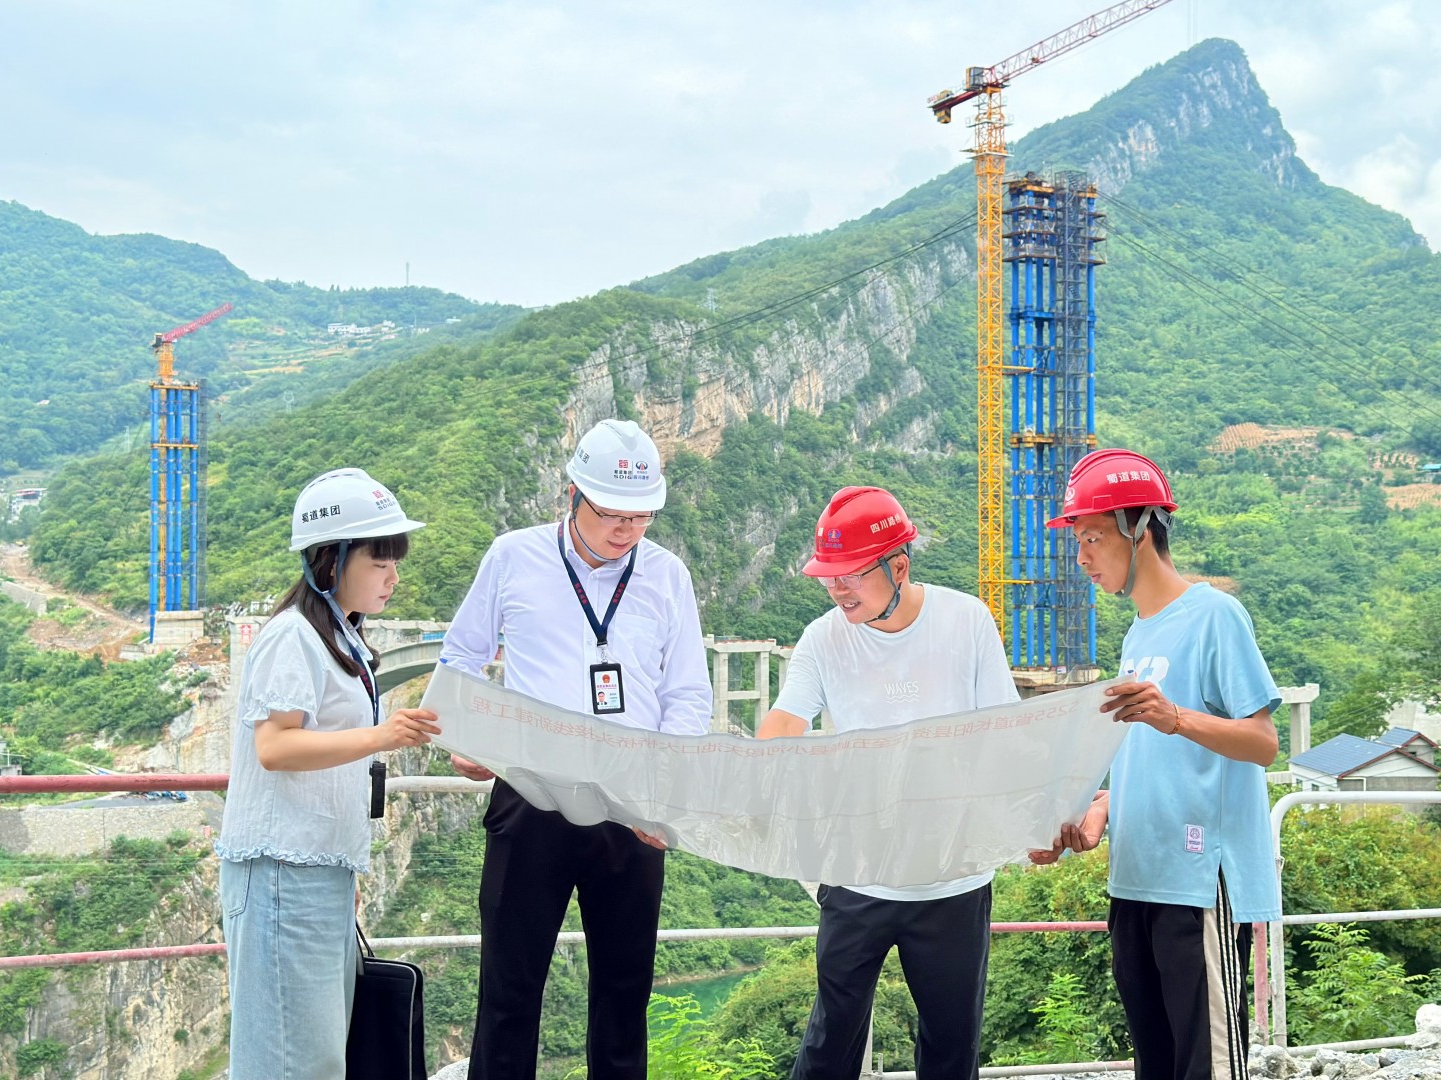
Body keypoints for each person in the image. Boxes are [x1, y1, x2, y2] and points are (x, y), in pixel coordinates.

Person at [441, 418, 712, 1080]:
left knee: (624, 989)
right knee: (509, 985)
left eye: (640, 516)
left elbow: (686, 694)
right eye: (612, 513)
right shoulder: (513, 557)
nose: (626, 529)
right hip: (531, 790)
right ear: (572, 496)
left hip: (631, 799)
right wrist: (465, 737)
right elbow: (461, 658)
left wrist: (663, 791)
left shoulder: (666, 575)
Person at [1030, 448, 1281, 1080]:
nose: (1081, 557)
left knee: (1208, 1065)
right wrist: (1099, 811)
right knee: (1157, 1064)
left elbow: (1263, 743)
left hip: (1196, 882)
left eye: (1092, 537)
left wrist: (1177, 717)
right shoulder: (1138, 634)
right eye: (1076, 541)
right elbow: (1150, 762)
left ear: (1140, 527)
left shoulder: (1215, 615)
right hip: (1135, 879)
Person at [756, 486, 1018, 1080]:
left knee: (951, 1047)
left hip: (952, 876)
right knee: (830, 1043)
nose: (837, 589)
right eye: (829, 576)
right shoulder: (824, 638)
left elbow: (1004, 734)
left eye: (851, 574)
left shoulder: (966, 621)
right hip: (857, 873)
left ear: (898, 566)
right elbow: (785, 721)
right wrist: (756, 769)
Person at [216, 468, 441, 1080]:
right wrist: (384, 735)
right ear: (330, 559)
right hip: (281, 871)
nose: (393, 576)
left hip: (316, 869)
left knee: (317, 1055)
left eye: (395, 561)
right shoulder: (292, 635)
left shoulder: (339, 634)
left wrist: (343, 868)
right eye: (379, 561)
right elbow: (275, 747)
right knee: (289, 1060)